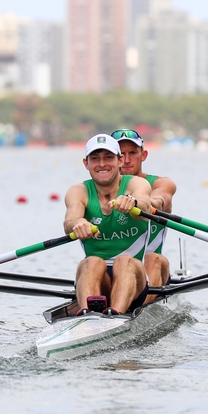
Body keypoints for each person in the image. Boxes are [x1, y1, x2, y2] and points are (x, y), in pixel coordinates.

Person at [64, 133, 153, 316]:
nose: (102, 164)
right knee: (92, 261)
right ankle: (88, 315)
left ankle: (116, 314)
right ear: (86, 163)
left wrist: (133, 202)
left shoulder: (136, 183)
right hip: (95, 275)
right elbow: (69, 222)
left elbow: (145, 204)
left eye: (108, 157)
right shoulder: (78, 191)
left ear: (120, 161)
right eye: (95, 158)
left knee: (124, 261)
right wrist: (78, 223)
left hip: (134, 280)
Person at [111, 129, 177, 296]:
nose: (126, 160)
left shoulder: (161, 183)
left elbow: (159, 200)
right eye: (121, 154)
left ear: (143, 155)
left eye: (133, 153)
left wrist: (142, 203)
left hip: (152, 268)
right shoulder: (100, 189)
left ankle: (141, 306)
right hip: (115, 269)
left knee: (153, 258)